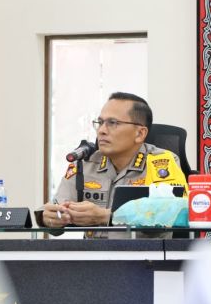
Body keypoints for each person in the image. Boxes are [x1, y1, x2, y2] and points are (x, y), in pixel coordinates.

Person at [40, 92, 188, 228]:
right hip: (93, 254)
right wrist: (48, 217)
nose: (102, 130)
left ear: (140, 133)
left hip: (145, 255)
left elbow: (177, 212)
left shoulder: (161, 162)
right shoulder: (86, 163)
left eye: (113, 123)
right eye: (100, 122)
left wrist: (108, 217)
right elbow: (55, 206)